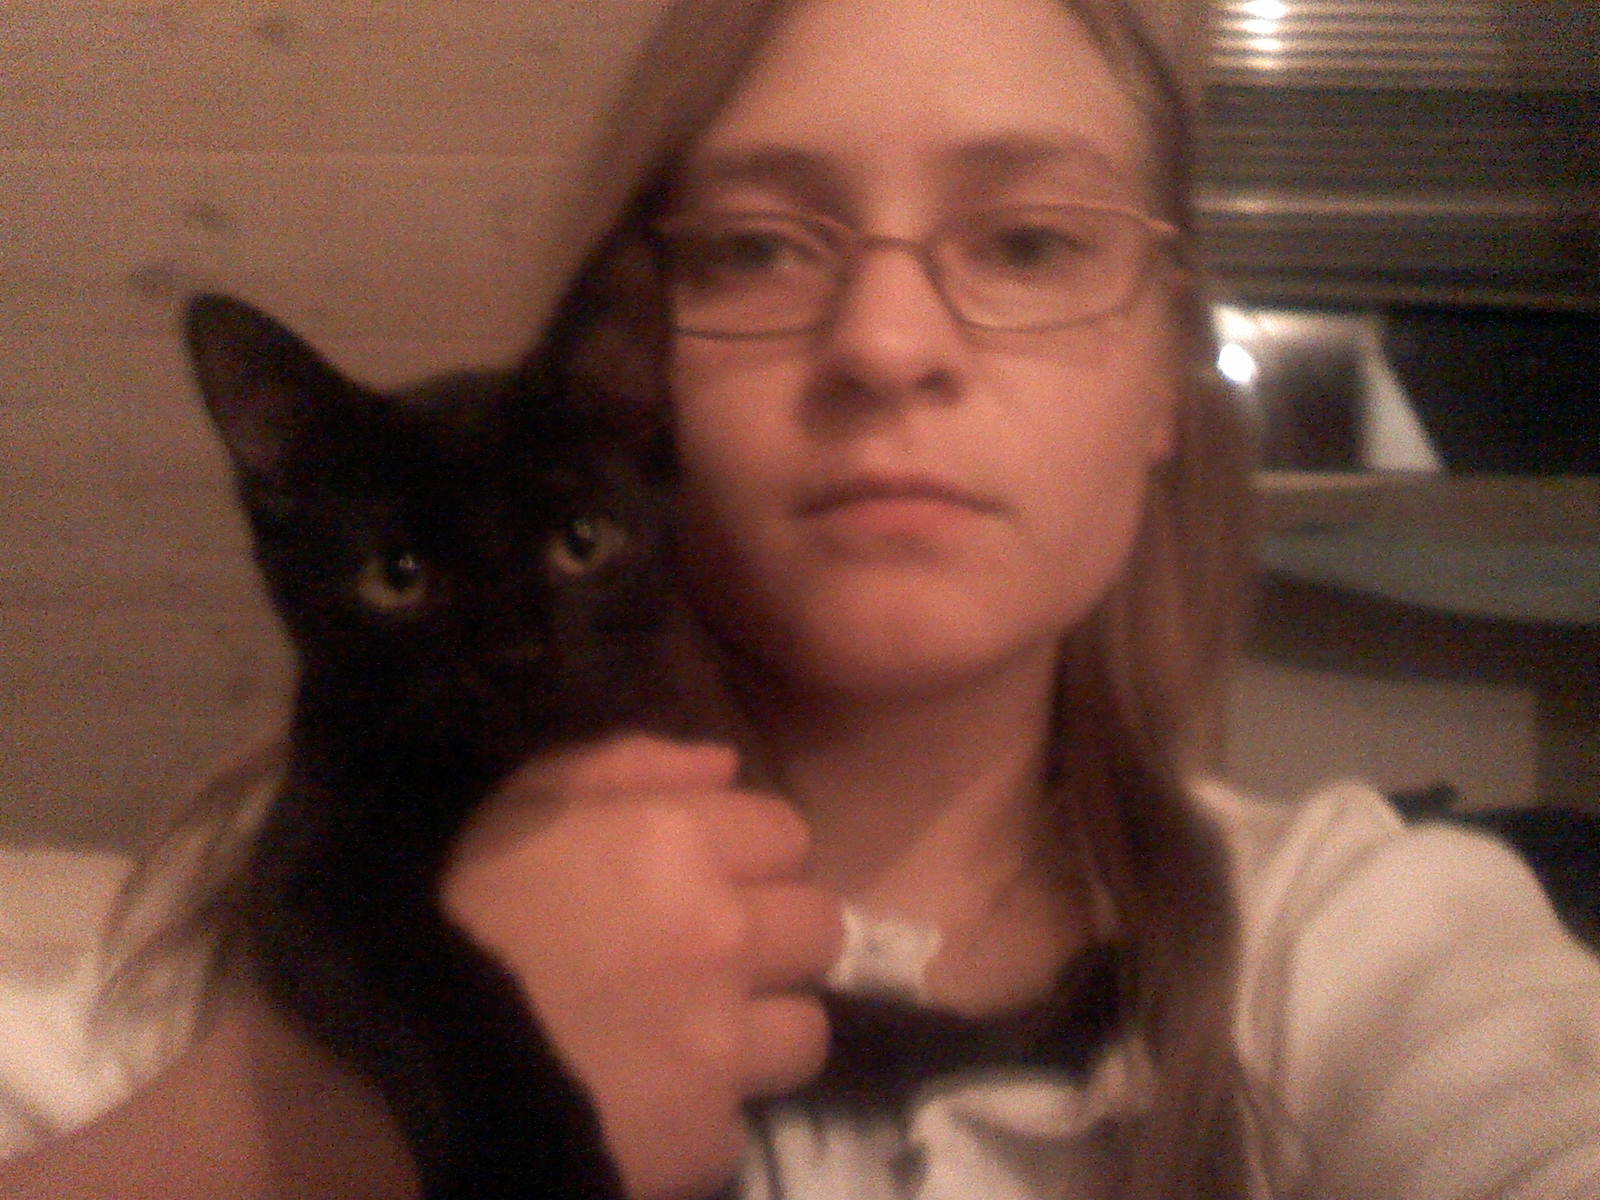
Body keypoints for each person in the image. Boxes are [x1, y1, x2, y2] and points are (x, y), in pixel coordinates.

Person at [3, 0, 1599, 1197]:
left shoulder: (1364, 949)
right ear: (640, 375)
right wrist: (308, 1127)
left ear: (1167, 375)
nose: (888, 347)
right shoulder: (231, 929)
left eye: (1029, 240)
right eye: (758, 249)